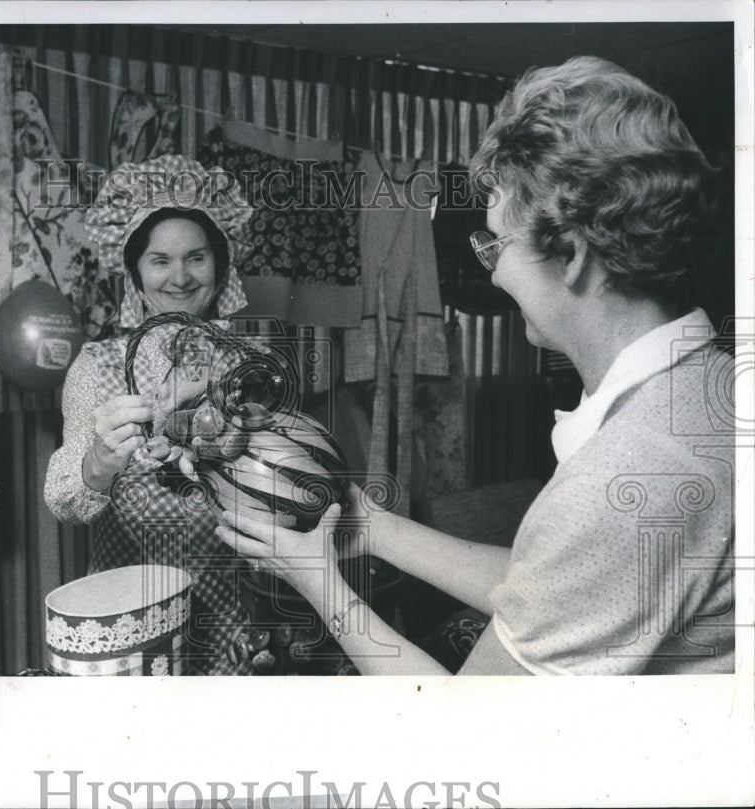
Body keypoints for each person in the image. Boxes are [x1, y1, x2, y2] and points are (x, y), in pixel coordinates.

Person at [217, 56, 736, 675]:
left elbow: (465, 721)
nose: (491, 272)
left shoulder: (621, 477)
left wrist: (317, 580)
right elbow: (554, 587)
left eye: (496, 244)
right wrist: (371, 523)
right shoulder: (715, 383)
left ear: (571, 253)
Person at [44, 154, 256, 674]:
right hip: (132, 627)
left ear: (220, 267)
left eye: (196, 258)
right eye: (160, 261)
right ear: (135, 274)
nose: (180, 277)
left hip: (235, 624)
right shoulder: (96, 366)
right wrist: (99, 462)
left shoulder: (252, 364)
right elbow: (63, 503)